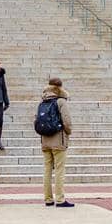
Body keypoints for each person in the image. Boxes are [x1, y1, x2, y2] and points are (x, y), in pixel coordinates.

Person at [35, 76, 74, 207]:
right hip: (58, 140)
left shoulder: (43, 102)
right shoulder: (60, 101)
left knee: (47, 170)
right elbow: (67, 121)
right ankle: (60, 199)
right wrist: (68, 132)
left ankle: (48, 199)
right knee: (59, 170)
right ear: (60, 88)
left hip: (45, 140)